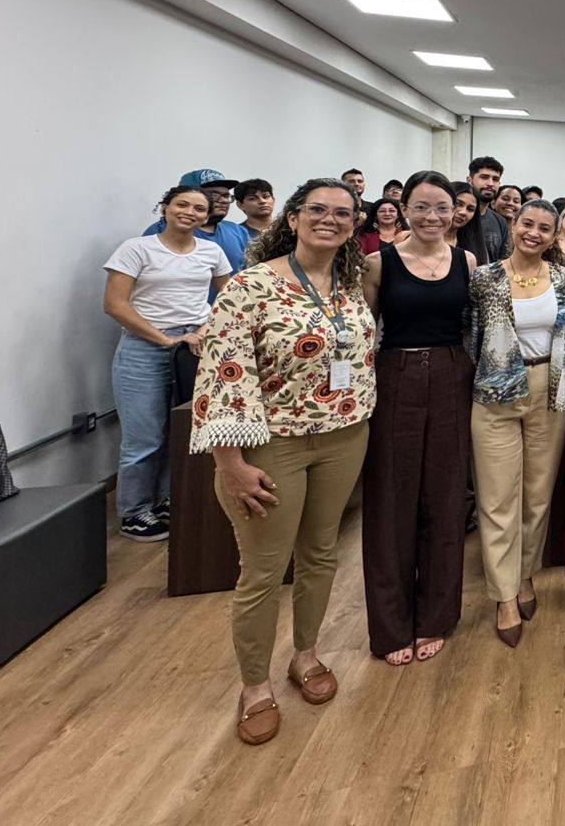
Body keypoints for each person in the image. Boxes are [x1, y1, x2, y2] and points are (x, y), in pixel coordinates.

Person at [190, 178, 376, 746]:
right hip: (273, 444)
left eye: (343, 214)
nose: (331, 219)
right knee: (264, 570)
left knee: (320, 554)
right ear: (291, 219)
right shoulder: (249, 288)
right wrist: (231, 464)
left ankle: (305, 655)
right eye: (317, 210)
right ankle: (253, 685)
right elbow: (223, 379)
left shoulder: (348, 284)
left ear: (353, 226)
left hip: (344, 435)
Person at [359, 172, 476, 665]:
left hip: (453, 374)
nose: (433, 217)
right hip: (396, 374)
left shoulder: (467, 261)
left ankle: (436, 616)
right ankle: (390, 626)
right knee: (391, 498)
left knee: (446, 498)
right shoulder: (376, 263)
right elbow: (364, 336)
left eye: (442, 208)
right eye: (422, 207)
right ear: (402, 208)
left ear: (456, 213)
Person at [469, 199, 565, 646]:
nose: (534, 233)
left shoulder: (564, 278)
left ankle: (527, 573)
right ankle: (503, 595)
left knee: (537, 494)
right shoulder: (485, 278)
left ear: (555, 237)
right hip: (495, 392)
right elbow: (469, 333)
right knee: (497, 498)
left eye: (544, 228)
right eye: (527, 224)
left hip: (548, 388)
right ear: (512, 227)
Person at [105, 185, 233, 540]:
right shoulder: (136, 248)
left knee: (182, 429)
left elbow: (228, 299)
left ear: (207, 216)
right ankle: (134, 511)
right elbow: (116, 305)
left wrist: (205, 330)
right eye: (182, 205)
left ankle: (164, 500)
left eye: (198, 208)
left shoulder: (211, 251)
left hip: (195, 346)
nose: (189, 212)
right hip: (143, 348)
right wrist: (166, 339)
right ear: (165, 208)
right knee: (143, 436)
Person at [143, 167, 251, 276]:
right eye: (214, 195)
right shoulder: (160, 231)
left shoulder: (239, 231)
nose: (223, 201)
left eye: (226, 196)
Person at [468, 156, 509, 262]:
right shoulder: (460, 216)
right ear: (470, 180)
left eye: (495, 179)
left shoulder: (500, 221)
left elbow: (502, 260)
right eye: (484, 177)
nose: (490, 184)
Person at [446, 182, 485, 264]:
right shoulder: (420, 238)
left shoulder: (474, 247)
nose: (463, 212)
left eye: (470, 209)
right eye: (458, 204)